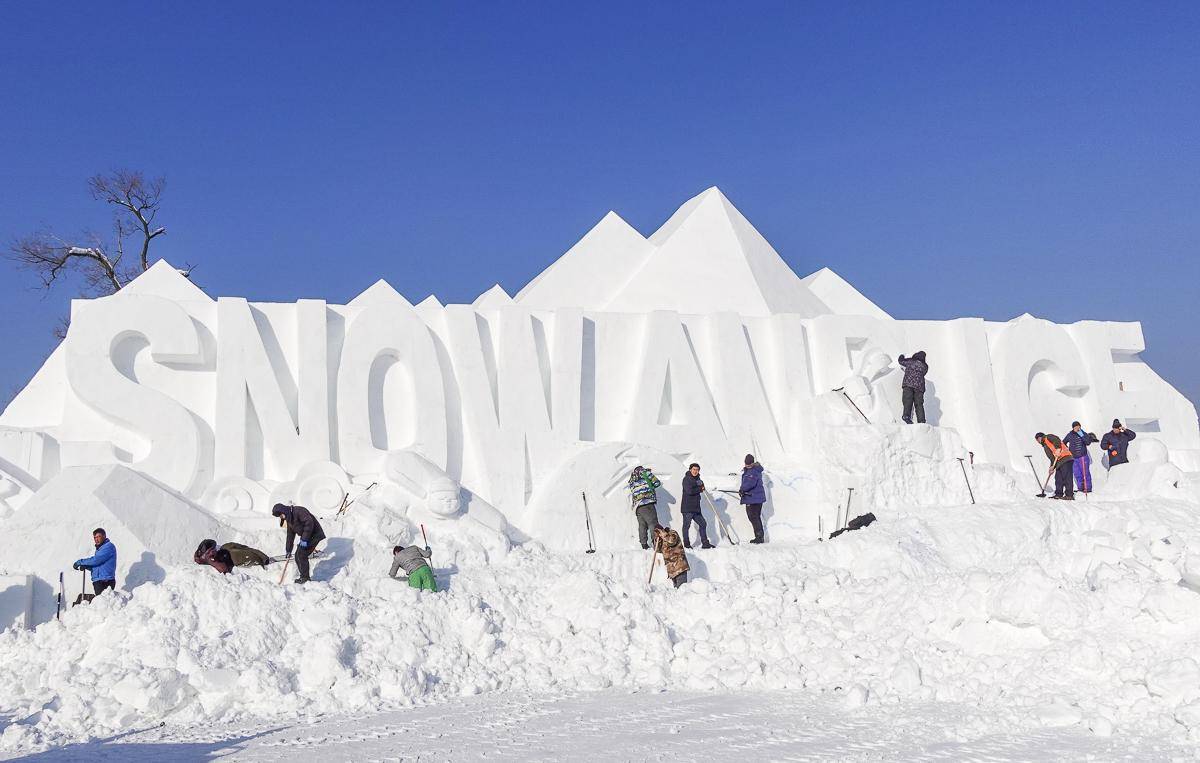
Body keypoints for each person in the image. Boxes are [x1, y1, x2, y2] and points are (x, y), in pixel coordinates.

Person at [271, 503, 327, 584]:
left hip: (315, 535)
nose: (280, 517)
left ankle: (305, 578)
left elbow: (309, 523)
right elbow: (290, 536)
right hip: (307, 537)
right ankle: (303, 577)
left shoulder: (299, 511)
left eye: (280, 515)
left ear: (283, 511)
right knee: (297, 555)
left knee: (301, 554)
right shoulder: (290, 521)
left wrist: (304, 539)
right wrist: (288, 550)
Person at [73, 528, 117, 595]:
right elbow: (98, 566)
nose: (96, 539)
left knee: (104, 603)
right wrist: (86, 566)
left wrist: (80, 562)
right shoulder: (100, 549)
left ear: (104, 536)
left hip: (105, 581)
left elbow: (96, 560)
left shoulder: (108, 547)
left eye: (99, 536)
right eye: (95, 537)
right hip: (99, 581)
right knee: (100, 604)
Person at [680, 463, 713, 549]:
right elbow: (689, 491)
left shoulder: (698, 479)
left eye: (697, 470)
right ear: (690, 470)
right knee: (686, 526)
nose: (695, 471)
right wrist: (699, 488)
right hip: (687, 508)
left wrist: (702, 485)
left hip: (696, 508)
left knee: (703, 524)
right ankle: (687, 544)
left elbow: (702, 488)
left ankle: (705, 543)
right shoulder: (686, 479)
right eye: (694, 469)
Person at [628, 466, 661, 550]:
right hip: (647, 503)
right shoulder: (646, 473)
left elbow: (632, 490)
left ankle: (644, 544)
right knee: (653, 523)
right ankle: (656, 544)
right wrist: (649, 488)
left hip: (637, 506)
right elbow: (657, 483)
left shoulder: (632, 478)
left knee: (642, 525)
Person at [1035, 432, 1075, 500]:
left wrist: (1058, 448)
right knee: (1058, 479)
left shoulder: (1047, 437)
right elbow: (1052, 458)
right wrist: (1051, 467)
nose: (1038, 442)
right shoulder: (1045, 446)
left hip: (1065, 458)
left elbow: (1056, 439)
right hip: (1059, 462)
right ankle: (1058, 494)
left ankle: (1069, 495)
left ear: (1039, 438)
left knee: (1067, 477)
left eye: (1037, 440)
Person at [1063, 421, 1098, 493]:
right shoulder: (1070, 435)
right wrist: (1067, 449)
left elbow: (1088, 442)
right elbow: (1063, 442)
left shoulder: (1083, 433)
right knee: (1077, 473)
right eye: (1075, 427)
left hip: (1083, 457)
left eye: (1078, 426)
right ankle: (1080, 488)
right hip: (1073, 458)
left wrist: (1082, 435)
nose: (1077, 428)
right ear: (1073, 428)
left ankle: (1088, 488)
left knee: (1085, 473)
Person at [739, 454, 767, 543]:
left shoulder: (753, 472)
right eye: (746, 464)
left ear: (752, 463)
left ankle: (759, 537)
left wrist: (742, 490)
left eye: (749, 464)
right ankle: (759, 536)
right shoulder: (750, 470)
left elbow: (750, 483)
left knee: (753, 516)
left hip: (754, 498)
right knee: (754, 517)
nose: (748, 465)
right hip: (753, 497)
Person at [897, 351, 929, 424]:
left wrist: (901, 355)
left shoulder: (910, 361)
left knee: (908, 400)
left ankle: (906, 416)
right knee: (919, 404)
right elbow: (924, 373)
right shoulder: (925, 367)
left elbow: (901, 361)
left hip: (909, 384)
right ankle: (921, 420)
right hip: (919, 387)